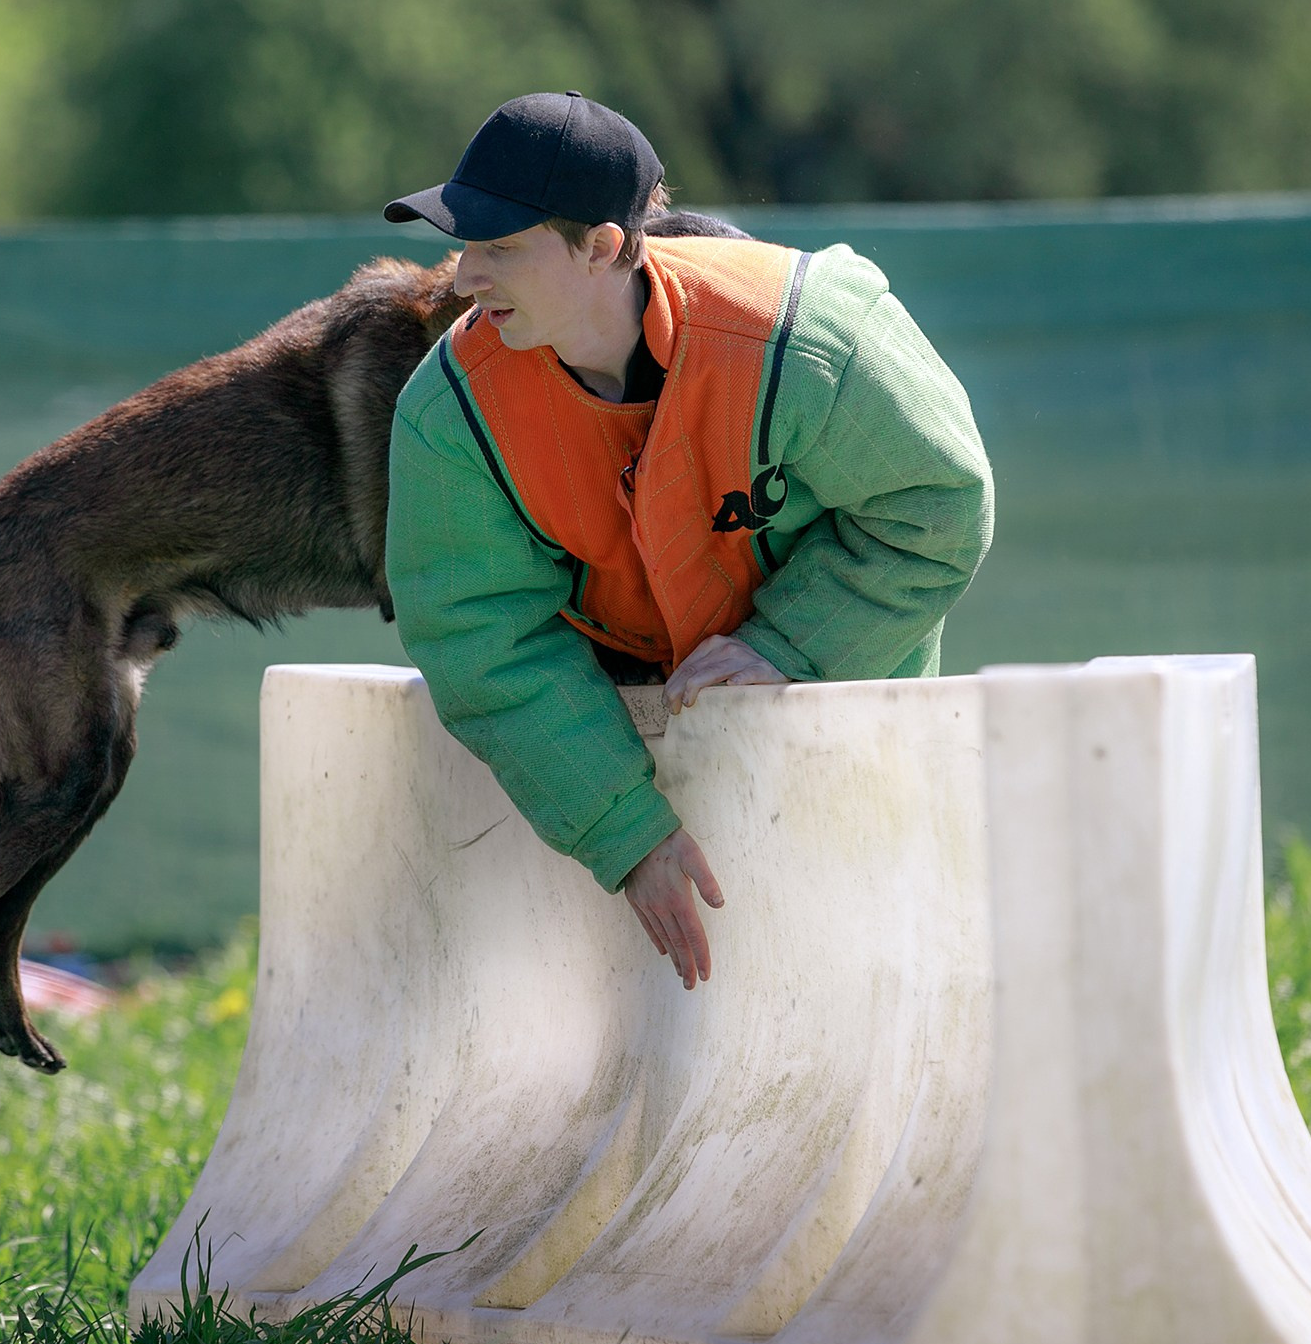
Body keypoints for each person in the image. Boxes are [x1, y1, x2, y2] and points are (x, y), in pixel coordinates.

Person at [382, 92, 992, 988]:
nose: (464, 277)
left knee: (870, 981)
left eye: (500, 246)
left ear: (602, 246)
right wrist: (627, 832)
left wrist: (785, 645)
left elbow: (940, 504)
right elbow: (481, 641)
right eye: (463, 242)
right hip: (618, 737)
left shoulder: (807, 336)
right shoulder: (448, 415)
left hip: (846, 708)